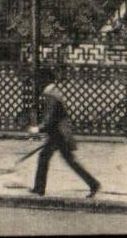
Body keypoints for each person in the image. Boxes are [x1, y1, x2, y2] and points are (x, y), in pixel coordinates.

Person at [29, 70, 99, 199]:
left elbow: (49, 118)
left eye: (38, 80)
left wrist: (38, 129)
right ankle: (93, 184)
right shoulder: (53, 92)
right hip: (59, 133)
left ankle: (39, 189)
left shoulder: (50, 95)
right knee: (63, 160)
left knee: (47, 158)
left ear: (44, 81)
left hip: (59, 134)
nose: (36, 83)